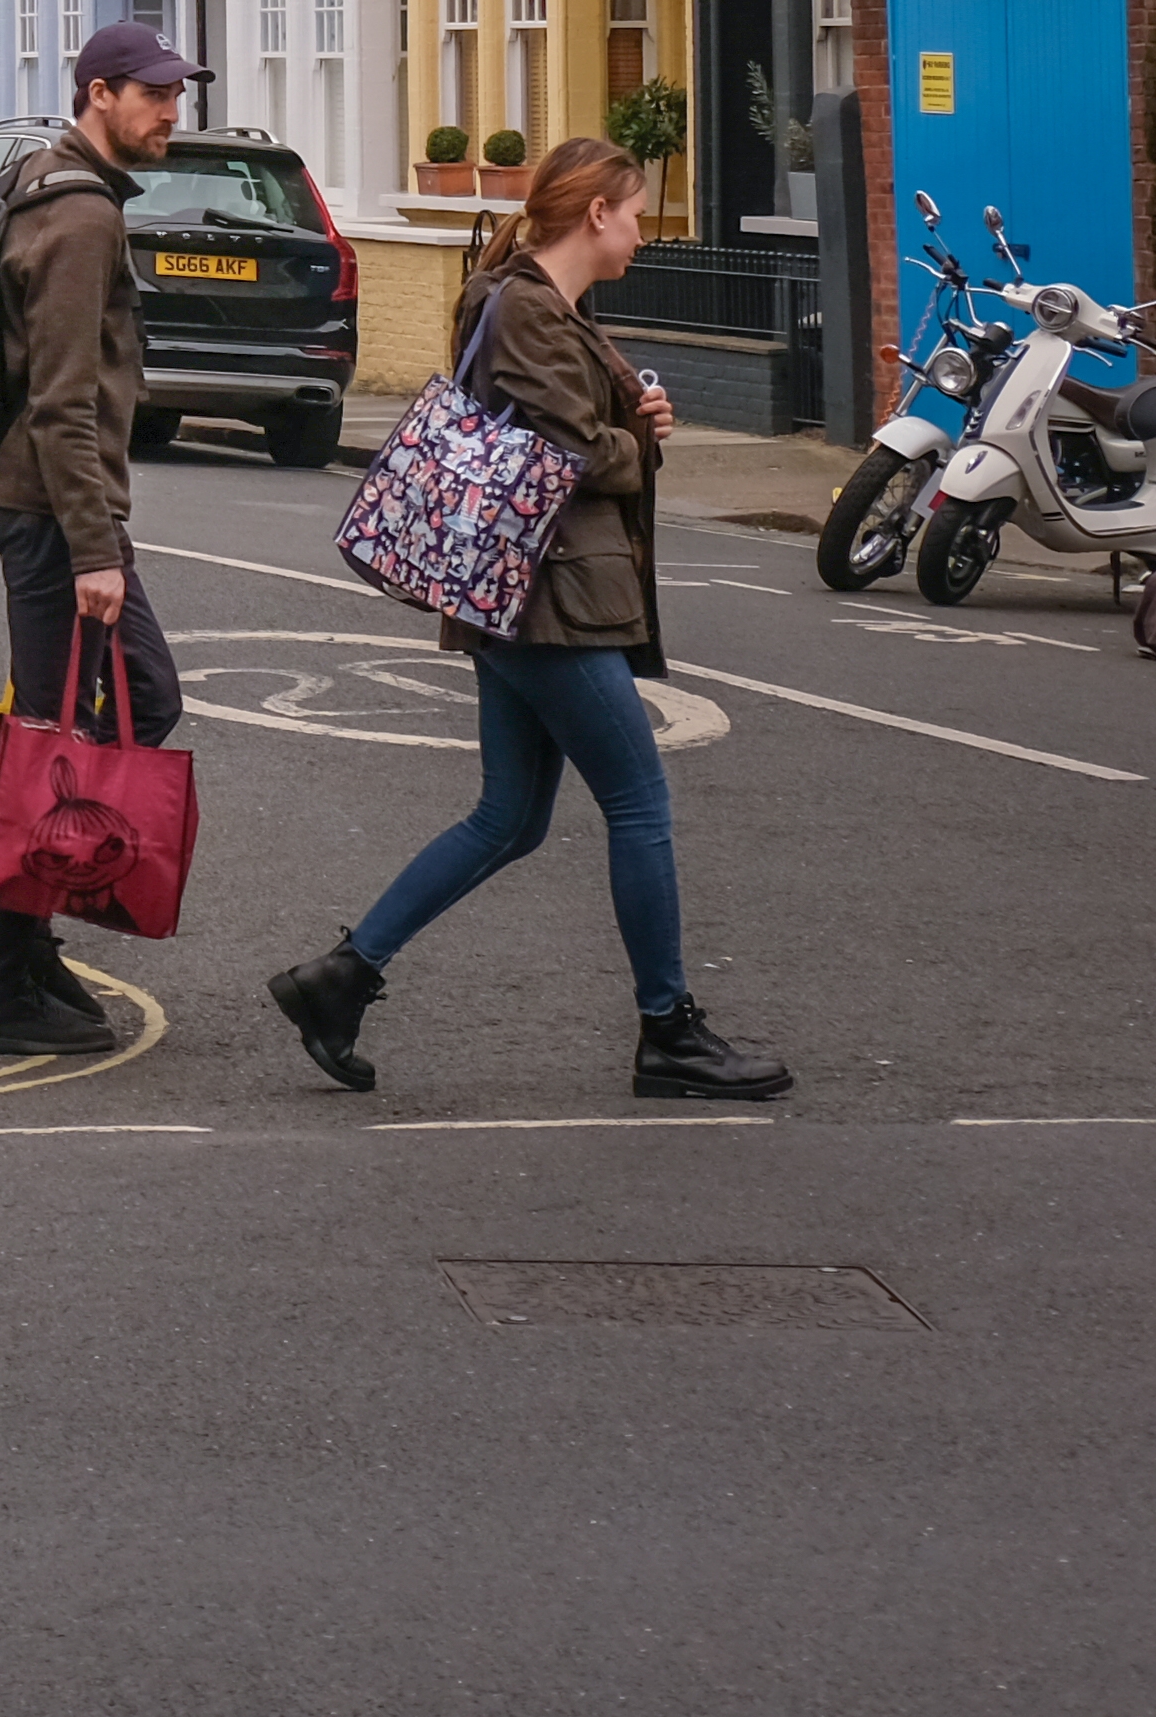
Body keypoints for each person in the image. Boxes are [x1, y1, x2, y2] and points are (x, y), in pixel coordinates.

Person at [272, 137, 791, 1100]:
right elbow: (575, 456)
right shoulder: (524, 308)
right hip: (548, 595)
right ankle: (667, 1029)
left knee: (509, 816)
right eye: (634, 212)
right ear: (594, 212)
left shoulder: (542, 306)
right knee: (638, 804)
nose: (642, 229)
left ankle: (341, 976)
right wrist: (637, 436)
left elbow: (581, 430)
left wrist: (638, 416)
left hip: (520, 591)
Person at [0, 19, 195, 1056]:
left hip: (45, 502)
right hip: (51, 506)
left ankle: (24, 940)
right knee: (66, 728)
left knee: (71, 719)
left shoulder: (48, 178)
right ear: (99, 93)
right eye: (152, 95)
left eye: (174, 95)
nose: (169, 113)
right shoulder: (81, 213)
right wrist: (96, 549)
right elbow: (60, 401)